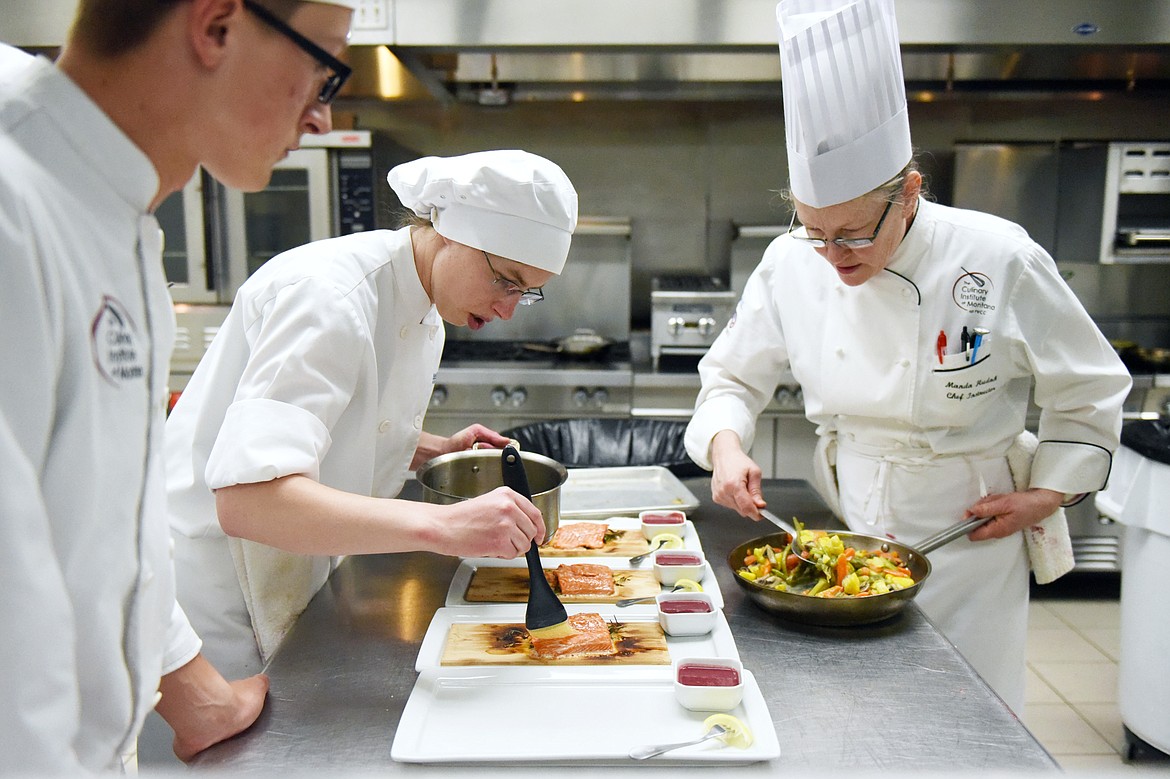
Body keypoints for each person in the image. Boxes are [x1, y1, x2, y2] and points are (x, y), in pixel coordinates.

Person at [684, 0, 1131, 714]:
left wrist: (1049, 491)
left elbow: (1091, 387)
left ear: (909, 192)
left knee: (964, 717)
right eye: (815, 231)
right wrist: (728, 446)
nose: (833, 257)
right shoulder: (788, 261)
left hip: (971, 537)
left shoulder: (998, 256)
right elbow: (733, 377)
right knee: (848, 713)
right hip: (846, 520)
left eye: (855, 236)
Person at [0, 0, 361, 771]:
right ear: (216, 25)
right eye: (323, 69)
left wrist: (190, 688)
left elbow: (103, 516)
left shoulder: (115, 214)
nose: (322, 119)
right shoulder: (15, 206)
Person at [164, 149, 578, 679]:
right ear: (451, 231)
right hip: (213, 604)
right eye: (505, 280)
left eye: (527, 291)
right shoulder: (330, 297)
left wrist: (427, 449)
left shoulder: (425, 307)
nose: (507, 310)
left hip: (296, 574)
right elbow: (249, 501)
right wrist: (445, 525)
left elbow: (333, 424)